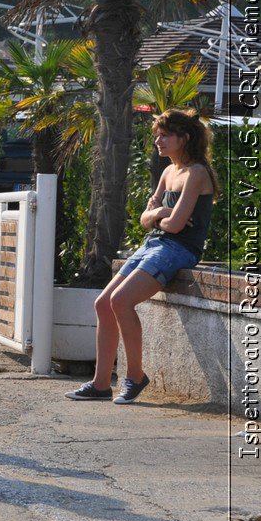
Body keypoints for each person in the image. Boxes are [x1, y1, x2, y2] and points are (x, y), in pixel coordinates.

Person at [67, 108, 216, 404]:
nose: (158, 141)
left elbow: (175, 227)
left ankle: (135, 376)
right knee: (103, 304)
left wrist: (158, 216)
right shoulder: (168, 171)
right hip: (153, 244)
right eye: (157, 136)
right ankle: (100, 384)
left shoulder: (196, 173)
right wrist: (160, 212)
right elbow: (145, 219)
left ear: (184, 138)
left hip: (179, 249)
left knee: (121, 301)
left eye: (165, 136)